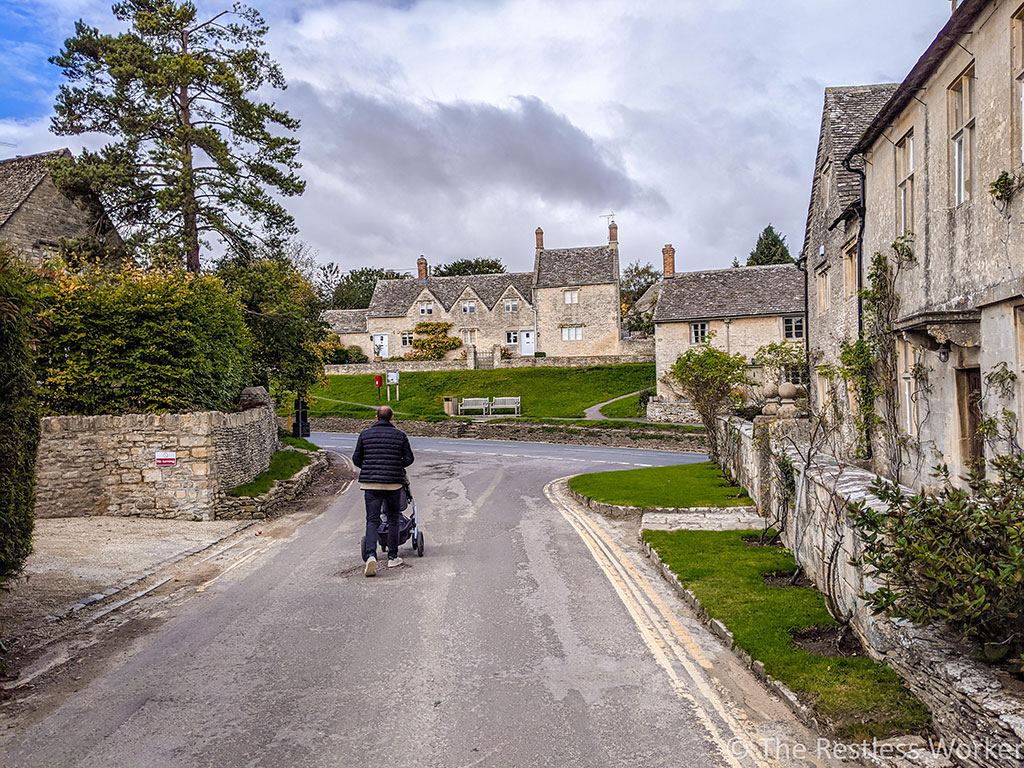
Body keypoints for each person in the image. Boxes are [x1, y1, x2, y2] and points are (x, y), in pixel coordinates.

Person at [352, 405, 415, 577]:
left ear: (376, 417)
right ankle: (393, 556)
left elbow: (356, 459)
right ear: (392, 418)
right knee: (393, 518)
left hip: (370, 484)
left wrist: (369, 467)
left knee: (372, 520)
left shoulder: (365, 435)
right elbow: (409, 459)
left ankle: (371, 555)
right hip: (393, 484)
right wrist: (395, 465)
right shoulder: (400, 436)